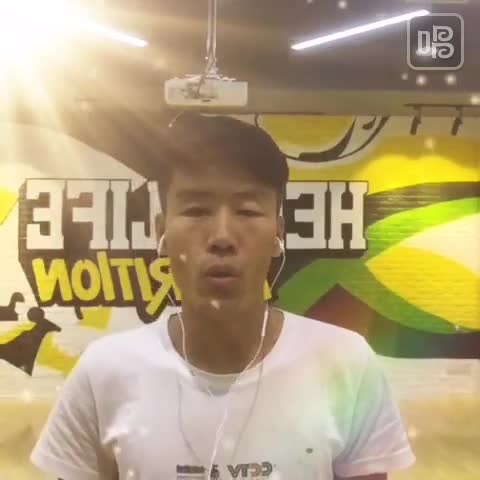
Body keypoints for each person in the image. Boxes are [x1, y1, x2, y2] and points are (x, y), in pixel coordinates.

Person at [31, 113, 415, 480]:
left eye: (247, 210)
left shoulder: (346, 364)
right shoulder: (104, 371)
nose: (222, 237)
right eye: (197, 210)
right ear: (161, 232)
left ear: (278, 233)